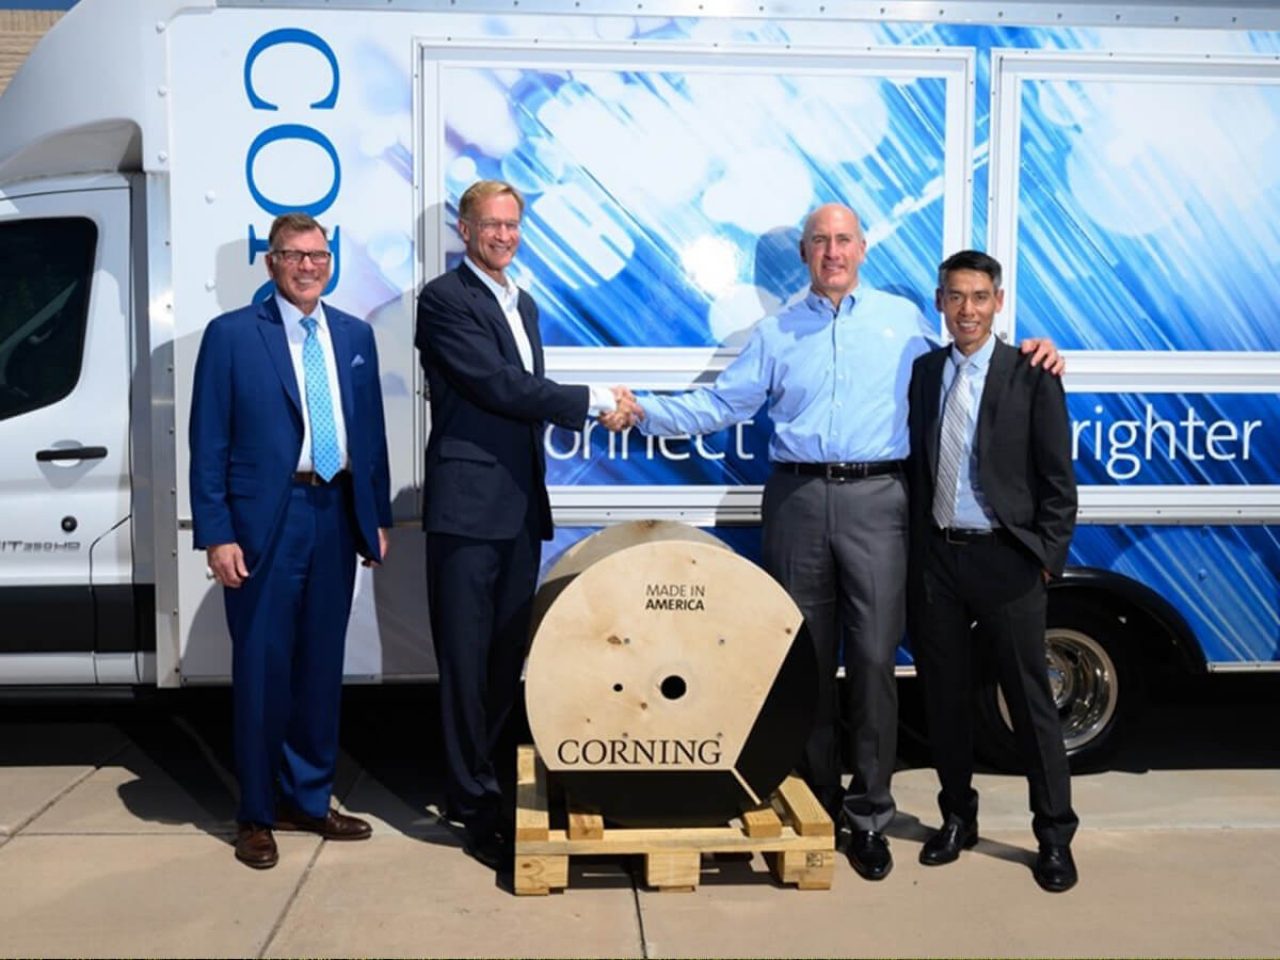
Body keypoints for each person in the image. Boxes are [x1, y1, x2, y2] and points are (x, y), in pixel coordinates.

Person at [604, 204, 1061, 881]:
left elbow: (974, 350)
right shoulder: (776, 331)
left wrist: (1037, 351)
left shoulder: (906, 322)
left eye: (843, 239)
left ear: (863, 248)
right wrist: (646, 413)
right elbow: (721, 404)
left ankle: (869, 814)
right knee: (805, 659)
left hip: (880, 501)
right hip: (795, 500)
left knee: (875, 658)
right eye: (819, 241)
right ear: (806, 254)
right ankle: (815, 799)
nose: (832, 251)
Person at [415, 179, 625, 870]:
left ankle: (493, 783)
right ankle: (469, 803)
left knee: (506, 657)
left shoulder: (521, 302)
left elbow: (520, 400)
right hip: (468, 511)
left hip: (516, 506)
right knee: (466, 661)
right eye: (490, 224)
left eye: (511, 224)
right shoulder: (445, 301)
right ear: (465, 230)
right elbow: (497, 387)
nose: (502, 235)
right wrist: (594, 401)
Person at [190, 212, 393, 869]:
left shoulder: (355, 335)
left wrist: (373, 518)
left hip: (335, 513)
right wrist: (216, 532)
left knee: (317, 668)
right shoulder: (230, 337)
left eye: (319, 255)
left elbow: (370, 435)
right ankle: (256, 812)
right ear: (272, 262)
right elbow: (208, 442)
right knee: (261, 669)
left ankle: (308, 799)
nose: (309, 266)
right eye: (295, 255)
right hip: (264, 524)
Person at [906, 249, 1079, 892]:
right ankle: (957, 819)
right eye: (955, 297)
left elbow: (1059, 481)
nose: (967, 310)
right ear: (940, 302)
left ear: (998, 303)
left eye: (979, 297)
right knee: (945, 701)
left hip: (1007, 561)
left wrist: (1045, 561)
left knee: (1031, 707)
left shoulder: (1030, 372)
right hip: (939, 561)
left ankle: (1054, 836)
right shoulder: (926, 373)